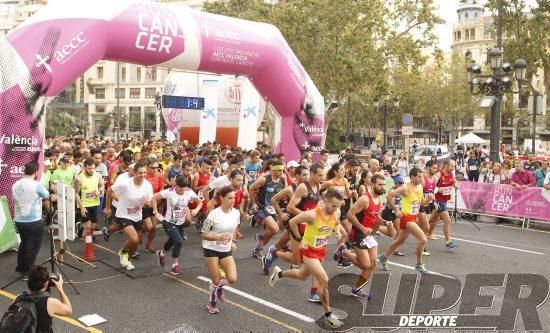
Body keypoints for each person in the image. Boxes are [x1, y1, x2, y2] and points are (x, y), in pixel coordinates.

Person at [269, 188, 346, 329]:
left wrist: (338, 231)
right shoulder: (312, 214)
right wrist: (300, 240)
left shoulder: (337, 212)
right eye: (333, 206)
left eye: (338, 206)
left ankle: (279, 274)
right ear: (326, 201)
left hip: (320, 250)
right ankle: (328, 316)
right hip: (308, 251)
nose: (335, 209)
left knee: (301, 275)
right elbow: (292, 222)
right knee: (324, 279)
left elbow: (337, 222)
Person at [340, 174, 393, 299]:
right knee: (366, 266)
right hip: (358, 234)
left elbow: (375, 218)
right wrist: (363, 228)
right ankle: (344, 252)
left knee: (373, 264)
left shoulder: (379, 200)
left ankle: (356, 289)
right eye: (379, 184)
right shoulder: (365, 199)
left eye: (383, 185)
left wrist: (385, 222)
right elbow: (350, 214)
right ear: (373, 184)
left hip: (368, 236)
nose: (382, 187)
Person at [378, 167, 434, 274]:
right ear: (412, 177)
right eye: (418, 177)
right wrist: (395, 209)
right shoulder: (405, 188)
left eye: (421, 177)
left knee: (399, 241)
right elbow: (389, 196)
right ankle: (419, 265)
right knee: (423, 239)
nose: (420, 179)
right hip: (406, 218)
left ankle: (383, 257)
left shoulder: (420, 187)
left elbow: (421, 202)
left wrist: (429, 199)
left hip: (413, 217)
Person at [104, 162, 153, 271]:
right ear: (135, 173)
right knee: (134, 238)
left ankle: (127, 260)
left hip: (137, 215)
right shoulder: (125, 184)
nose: (143, 175)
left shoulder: (147, 185)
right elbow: (109, 190)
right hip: (123, 214)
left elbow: (148, 201)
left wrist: (147, 203)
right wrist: (107, 207)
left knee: (135, 244)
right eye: (140, 173)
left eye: (144, 172)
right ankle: (123, 252)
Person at [201, 186, 240, 314]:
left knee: (232, 279)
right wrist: (217, 237)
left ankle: (219, 288)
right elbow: (204, 234)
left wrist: (233, 241)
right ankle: (211, 302)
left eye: (234, 198)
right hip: (211, 248)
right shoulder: (213, 214)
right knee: (216, 279)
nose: (232, 200)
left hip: (225, 249)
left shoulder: (236, 213)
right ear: (221, 198)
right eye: (229, 198)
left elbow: (234, 229)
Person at [152, 176, 201, 274]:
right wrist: (156, 212)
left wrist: (196, 210)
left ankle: (161, 254)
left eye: (184, 188)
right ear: (176, 186)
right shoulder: (169, 192)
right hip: (169, 222)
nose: (182, 190)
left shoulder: (189, 191)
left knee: (172, 241)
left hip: (180, 222)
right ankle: (175, 266)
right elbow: (153, 197)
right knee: (178, 241)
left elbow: (199, 202)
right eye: (180, 188)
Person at [12, 162, 49, 277]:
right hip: (33, 221)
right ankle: (26, 272)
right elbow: (46, 195)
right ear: (36, 172)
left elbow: (14, 200)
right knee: (32, 247)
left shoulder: (15, 184)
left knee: (24, 245)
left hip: (19, 220)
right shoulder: (36, 184)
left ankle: (20, 269)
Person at [249, 160, 286, 258]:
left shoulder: (283, 180)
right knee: (274, 229)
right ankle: (261, 236)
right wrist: (253, 203)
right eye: (279, 170)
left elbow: (285, 193)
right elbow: (251, 188)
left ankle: (258, 249)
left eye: (282, 170)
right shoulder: (264, 179)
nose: (281, 172)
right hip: (262, 207)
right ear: (273, 170)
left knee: (271, 231)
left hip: (273, 209)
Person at [21, 265, 72, 332]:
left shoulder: (19, 298)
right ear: (46, 284)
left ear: (28, 282)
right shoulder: (49, 303)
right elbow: (68, 311)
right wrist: (60, 289)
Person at [426, 159, 459, 249]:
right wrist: (438, 189)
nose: (453, 168)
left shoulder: (451, 175)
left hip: (444, 200)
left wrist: (455, 185)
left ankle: (417, 226)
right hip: (437, 200)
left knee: (432, 219)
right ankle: (448, 241)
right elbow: (431, 185)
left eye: (454, 166)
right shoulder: (439, 174)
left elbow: (454, 181)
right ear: (446, 165)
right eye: (452, 166)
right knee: (447, 220)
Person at [74, 158, 105, 239]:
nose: (91, 170)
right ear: (85, 167)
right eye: (89, 168)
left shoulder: (97, 175)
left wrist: (100, 190)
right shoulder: (79, 178)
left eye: (93, 168)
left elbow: (102, 186)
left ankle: (81, 227)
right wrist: (81, 207)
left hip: (94, 203)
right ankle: (88, 248)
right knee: (88, 226)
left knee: (93, 226)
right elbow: (76, 193)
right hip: (83, 205)